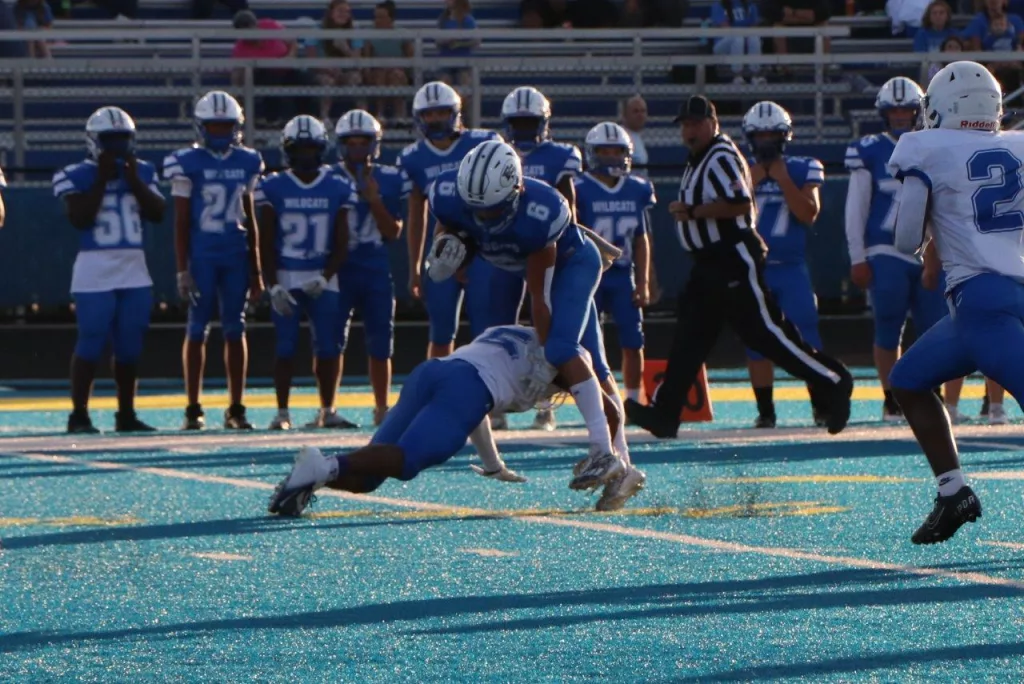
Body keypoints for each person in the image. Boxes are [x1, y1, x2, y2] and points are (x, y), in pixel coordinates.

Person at [624, 95, 853, 438]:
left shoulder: (721, 155)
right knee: (690, 338)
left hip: (731, 256)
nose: (689, 131)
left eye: (696, 123)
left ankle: (833, 380)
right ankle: (666, 412)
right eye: (685, 125)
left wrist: (694, 212)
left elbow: (740, 204)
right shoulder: (701, 157)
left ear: (712, 123)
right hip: (708, 263)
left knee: (767, 334)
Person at [427, 140, 631, 492]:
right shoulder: (447, 194)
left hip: (572, 267)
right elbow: (447, 230)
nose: (483, 218)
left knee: (564, 351)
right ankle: (621, 469)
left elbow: (541, 297)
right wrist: (447, 252)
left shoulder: (541, 212)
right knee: (579, 358)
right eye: (475, 210)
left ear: (517, 191)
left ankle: (606, 453)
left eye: (492, 209)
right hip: (521, 266)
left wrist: (546, 359)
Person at [267, 325, 629, 517]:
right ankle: (325, 465)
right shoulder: (571, 353)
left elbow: (478, 404)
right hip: (466, 388)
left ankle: (312, 478)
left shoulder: (508, 331)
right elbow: (610, 410)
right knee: (406, 462)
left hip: (433, 371)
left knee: (369, 478)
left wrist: (493, 464)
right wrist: (618, 463)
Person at [885, 60, 1021, 544]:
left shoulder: (926, 147)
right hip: (993, 300)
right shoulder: (1017, 145)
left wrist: (932, 225)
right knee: (907, 380)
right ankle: (953, 492)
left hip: (982, 300)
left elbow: (905, 238)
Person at [844, 77, 953, 422]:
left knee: (934, 327)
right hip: (885, 248)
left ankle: (930, 392)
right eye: (894, 110)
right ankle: (892, 397)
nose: (901, 116)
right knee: (889, 324)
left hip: (928, 252)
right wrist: (857, 255)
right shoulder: (870, 149)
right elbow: (856, 208)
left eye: (906, 109)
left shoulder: (932, 146)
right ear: (884, 113)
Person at [53, 107, 166, 433]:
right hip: (95, 269)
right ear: (94, 141)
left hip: (134, 269)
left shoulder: (143, 171)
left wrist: (133, 181)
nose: (117, 147)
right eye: (110, 140)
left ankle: (126, 414)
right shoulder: (75, 174)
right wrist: (102, 179)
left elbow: (158, 212)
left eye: (122, 140)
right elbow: (80, 218)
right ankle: (79, 414)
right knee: (91, 340)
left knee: (130, 344)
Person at [164, 91, 265, 430]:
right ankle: (193, 408)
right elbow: (180, 221)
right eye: (214, 126)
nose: (220, 132)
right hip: (203, 255)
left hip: (235, 253)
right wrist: (182, 268)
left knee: (236, 328)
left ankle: (236, 407)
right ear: (201, 127)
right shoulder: (187, 161)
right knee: (196, 329)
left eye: (226, 125)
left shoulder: (248, 160)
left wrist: (256, 269)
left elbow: (250, 218)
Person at [257, 115, 357, 430]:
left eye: (310, 148)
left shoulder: (338, 185)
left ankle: (327, 409)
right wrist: (272, 285)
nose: (305, 155)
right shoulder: (273, 185)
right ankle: (282, 412)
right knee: (285, 346)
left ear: (322, 149)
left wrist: (326, 276)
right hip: (286, 275)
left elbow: (342, 241)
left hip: (323, 275)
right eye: (299, 149)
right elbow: (264, 242)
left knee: (327, 346)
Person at [496, 85, 583, 431]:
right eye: (518, 123)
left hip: (544, 249)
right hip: (504, 250)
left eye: (529, 122)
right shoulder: (497, 153)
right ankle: (496, 402)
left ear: (544, 123)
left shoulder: (559, 155)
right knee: (498, 326)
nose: (524, 130)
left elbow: (569, 208)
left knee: (548, 327)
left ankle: (546, 405)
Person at [397, 81, 501, 359]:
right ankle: (440, 381)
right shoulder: (413, 158)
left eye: (442, 112)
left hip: (485, 250)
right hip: (442, 251)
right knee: (441, 331)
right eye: (429, 114)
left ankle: (490, 381)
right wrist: (415, 268)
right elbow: (416, 216)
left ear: (456, 112)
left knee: (486, 330)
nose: (436, 119)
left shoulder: (483, 143)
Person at [741, 101, 828, 428]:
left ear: (784, 136)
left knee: (807, 333)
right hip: (753, 268)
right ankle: (766, 411)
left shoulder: (803, 167)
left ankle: (820, 404)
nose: (765, 141)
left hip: (791, 267)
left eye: (771, 135)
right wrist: (750, 181)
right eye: (760, 135)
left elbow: (808, 214)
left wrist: (782, 179)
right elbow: (727, 210)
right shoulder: (738, 169)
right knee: (755, 339)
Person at [334, 109, 409, 427]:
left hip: (374, 266)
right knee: (331, 340)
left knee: (381, 340)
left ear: (374, 144)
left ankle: (381, 407)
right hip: (338, 267)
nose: (357, 149)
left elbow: (393, 232)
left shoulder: (389, 177)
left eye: (363, 142)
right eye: (350, 143)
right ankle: (328, 407)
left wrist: (374, 200)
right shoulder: (328, 177)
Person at [577, 122, 655, 407]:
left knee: (634, 340)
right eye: (604, 151)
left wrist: (644, 282)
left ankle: (633, 400)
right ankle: (596, 401)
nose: (611, 156)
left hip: (623, 275)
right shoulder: (579, 188)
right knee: (587, 344)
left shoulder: (637, 188)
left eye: (617, 151)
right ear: (592, 153)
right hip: (590, 276)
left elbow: (642, 240)